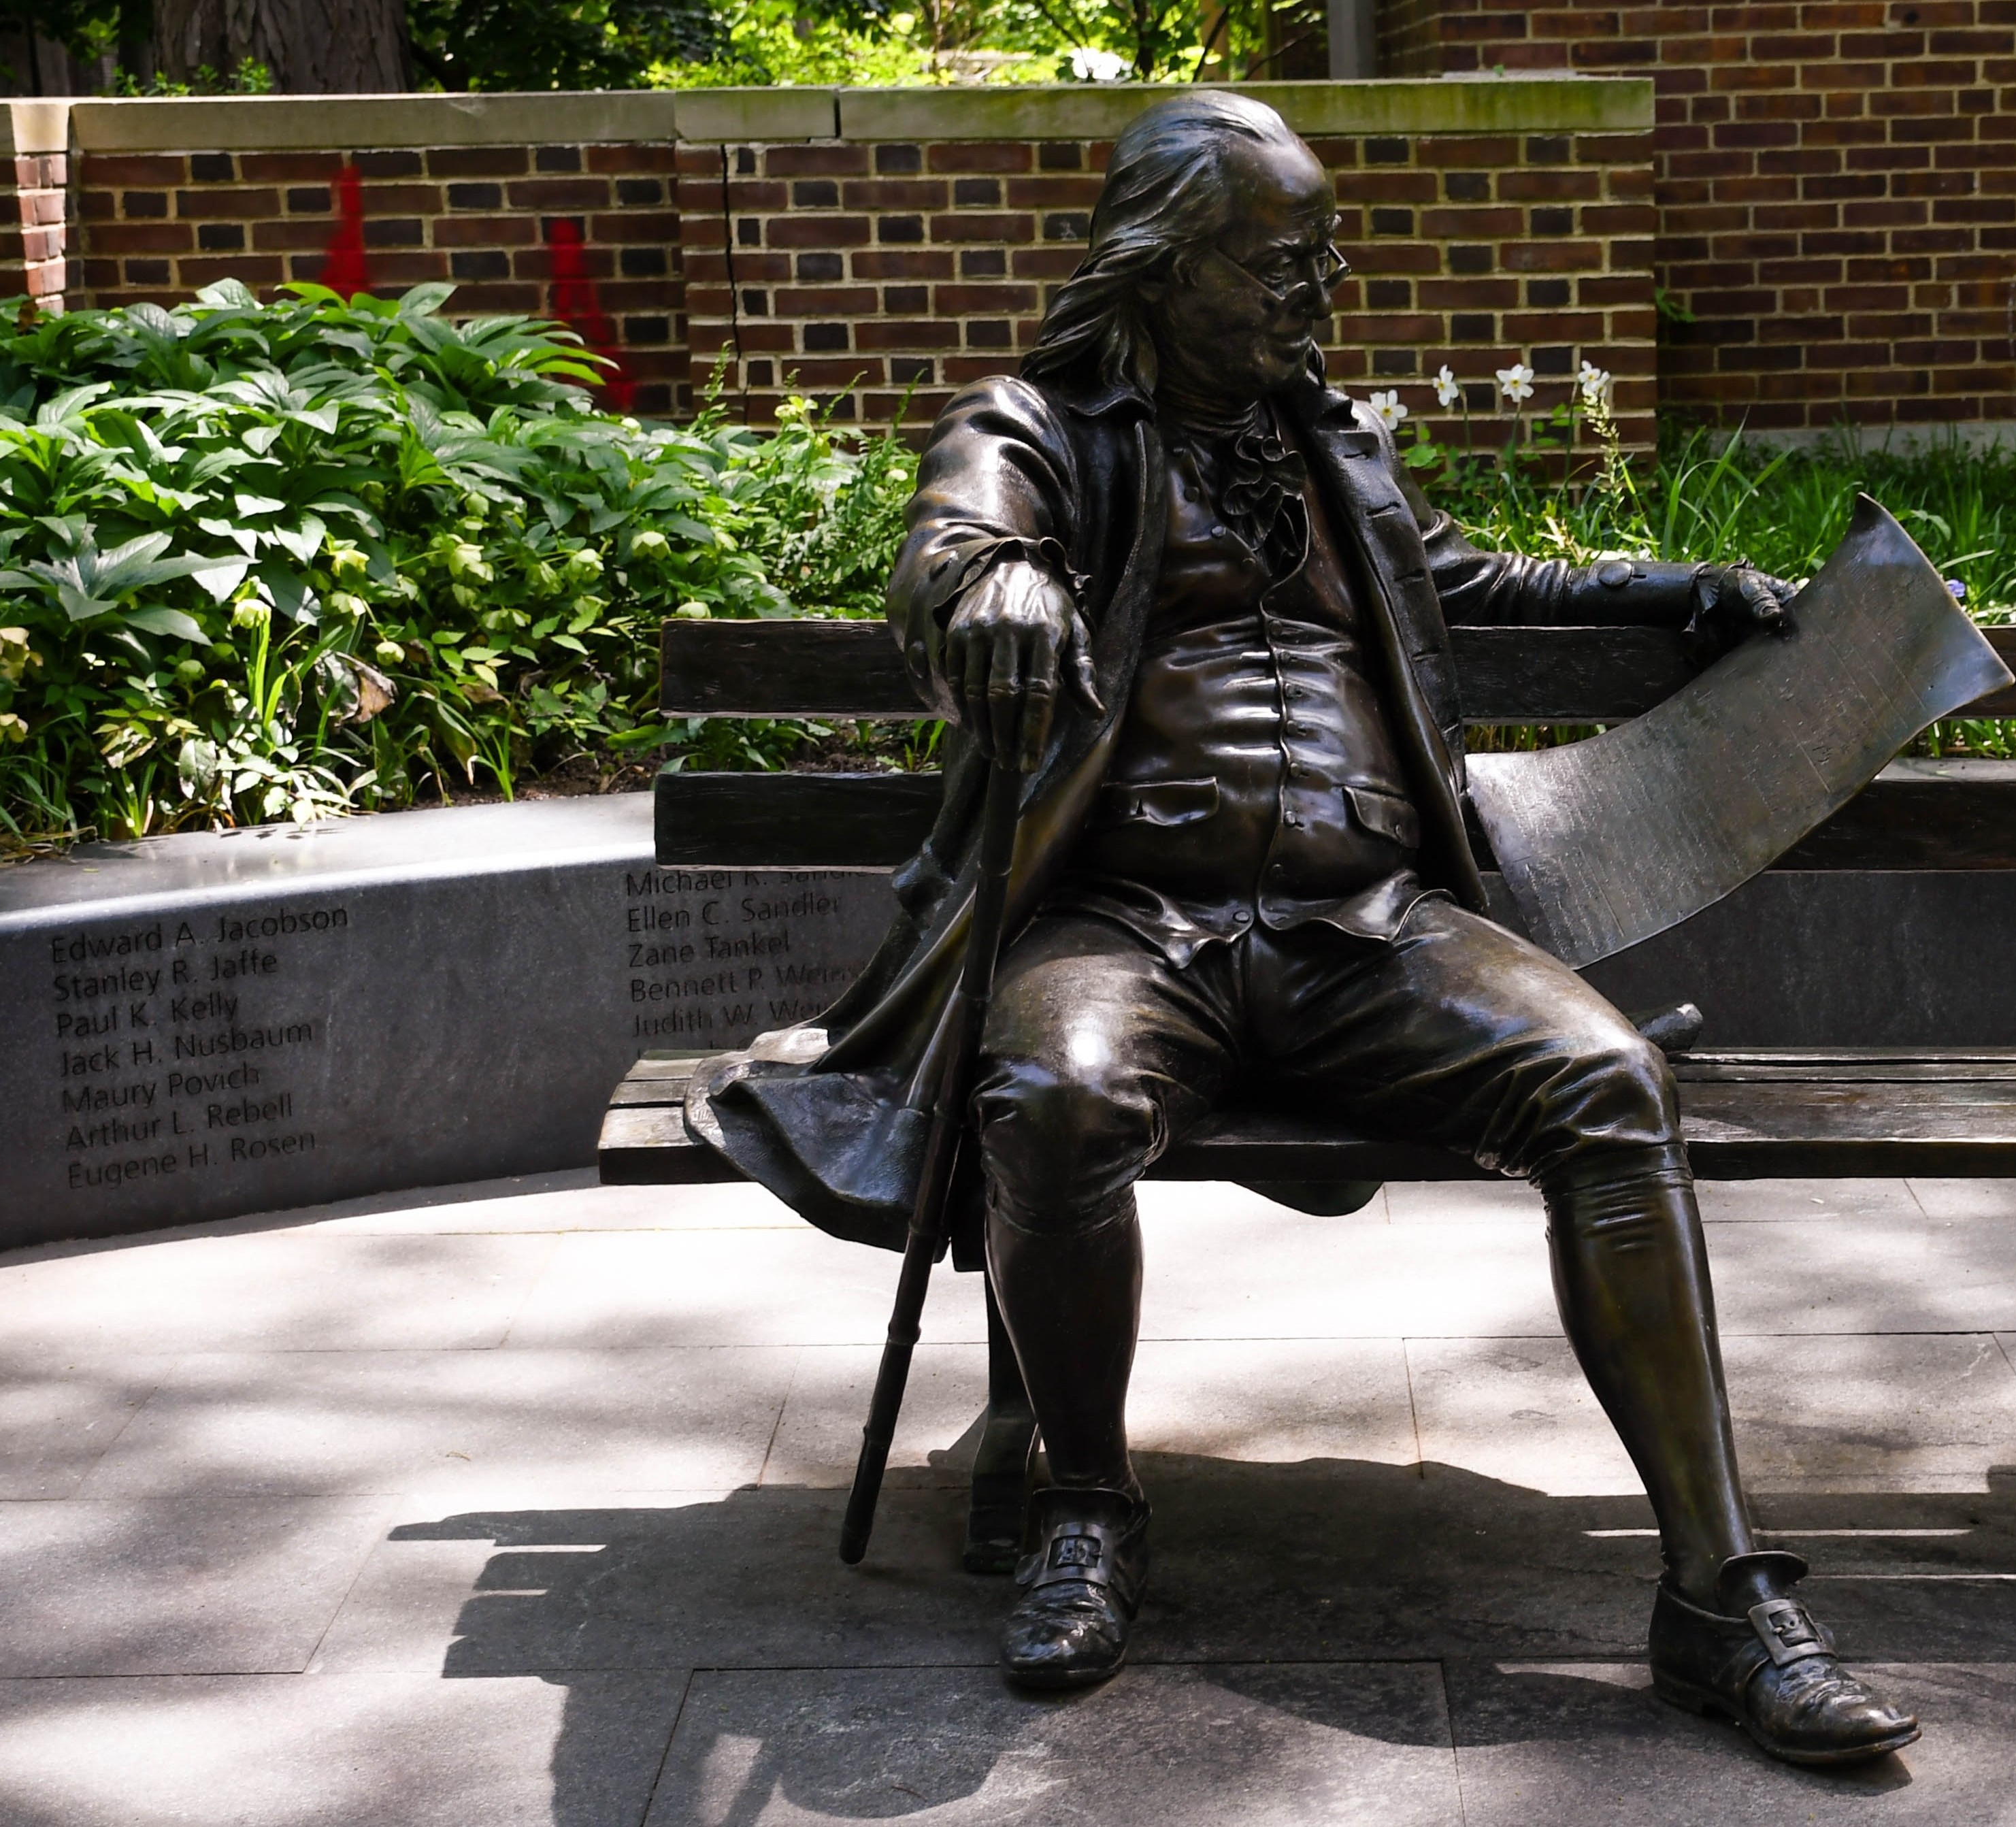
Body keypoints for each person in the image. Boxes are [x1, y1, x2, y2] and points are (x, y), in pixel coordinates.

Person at [700, 90, 1916, 1766]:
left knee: (1616, 1083)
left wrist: (1681, 591)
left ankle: (1721, 1592)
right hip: (1124, 919)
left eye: (1324, 257)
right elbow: (954, 545)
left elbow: (1463, 586)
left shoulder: (1334, 443)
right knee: (1047, 1103)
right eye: (1279, 263)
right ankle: (1086, 1506)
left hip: (1372, 921)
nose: (1317, 290)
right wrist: (998, 587)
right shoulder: (1039, 425)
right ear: (1164, 263)